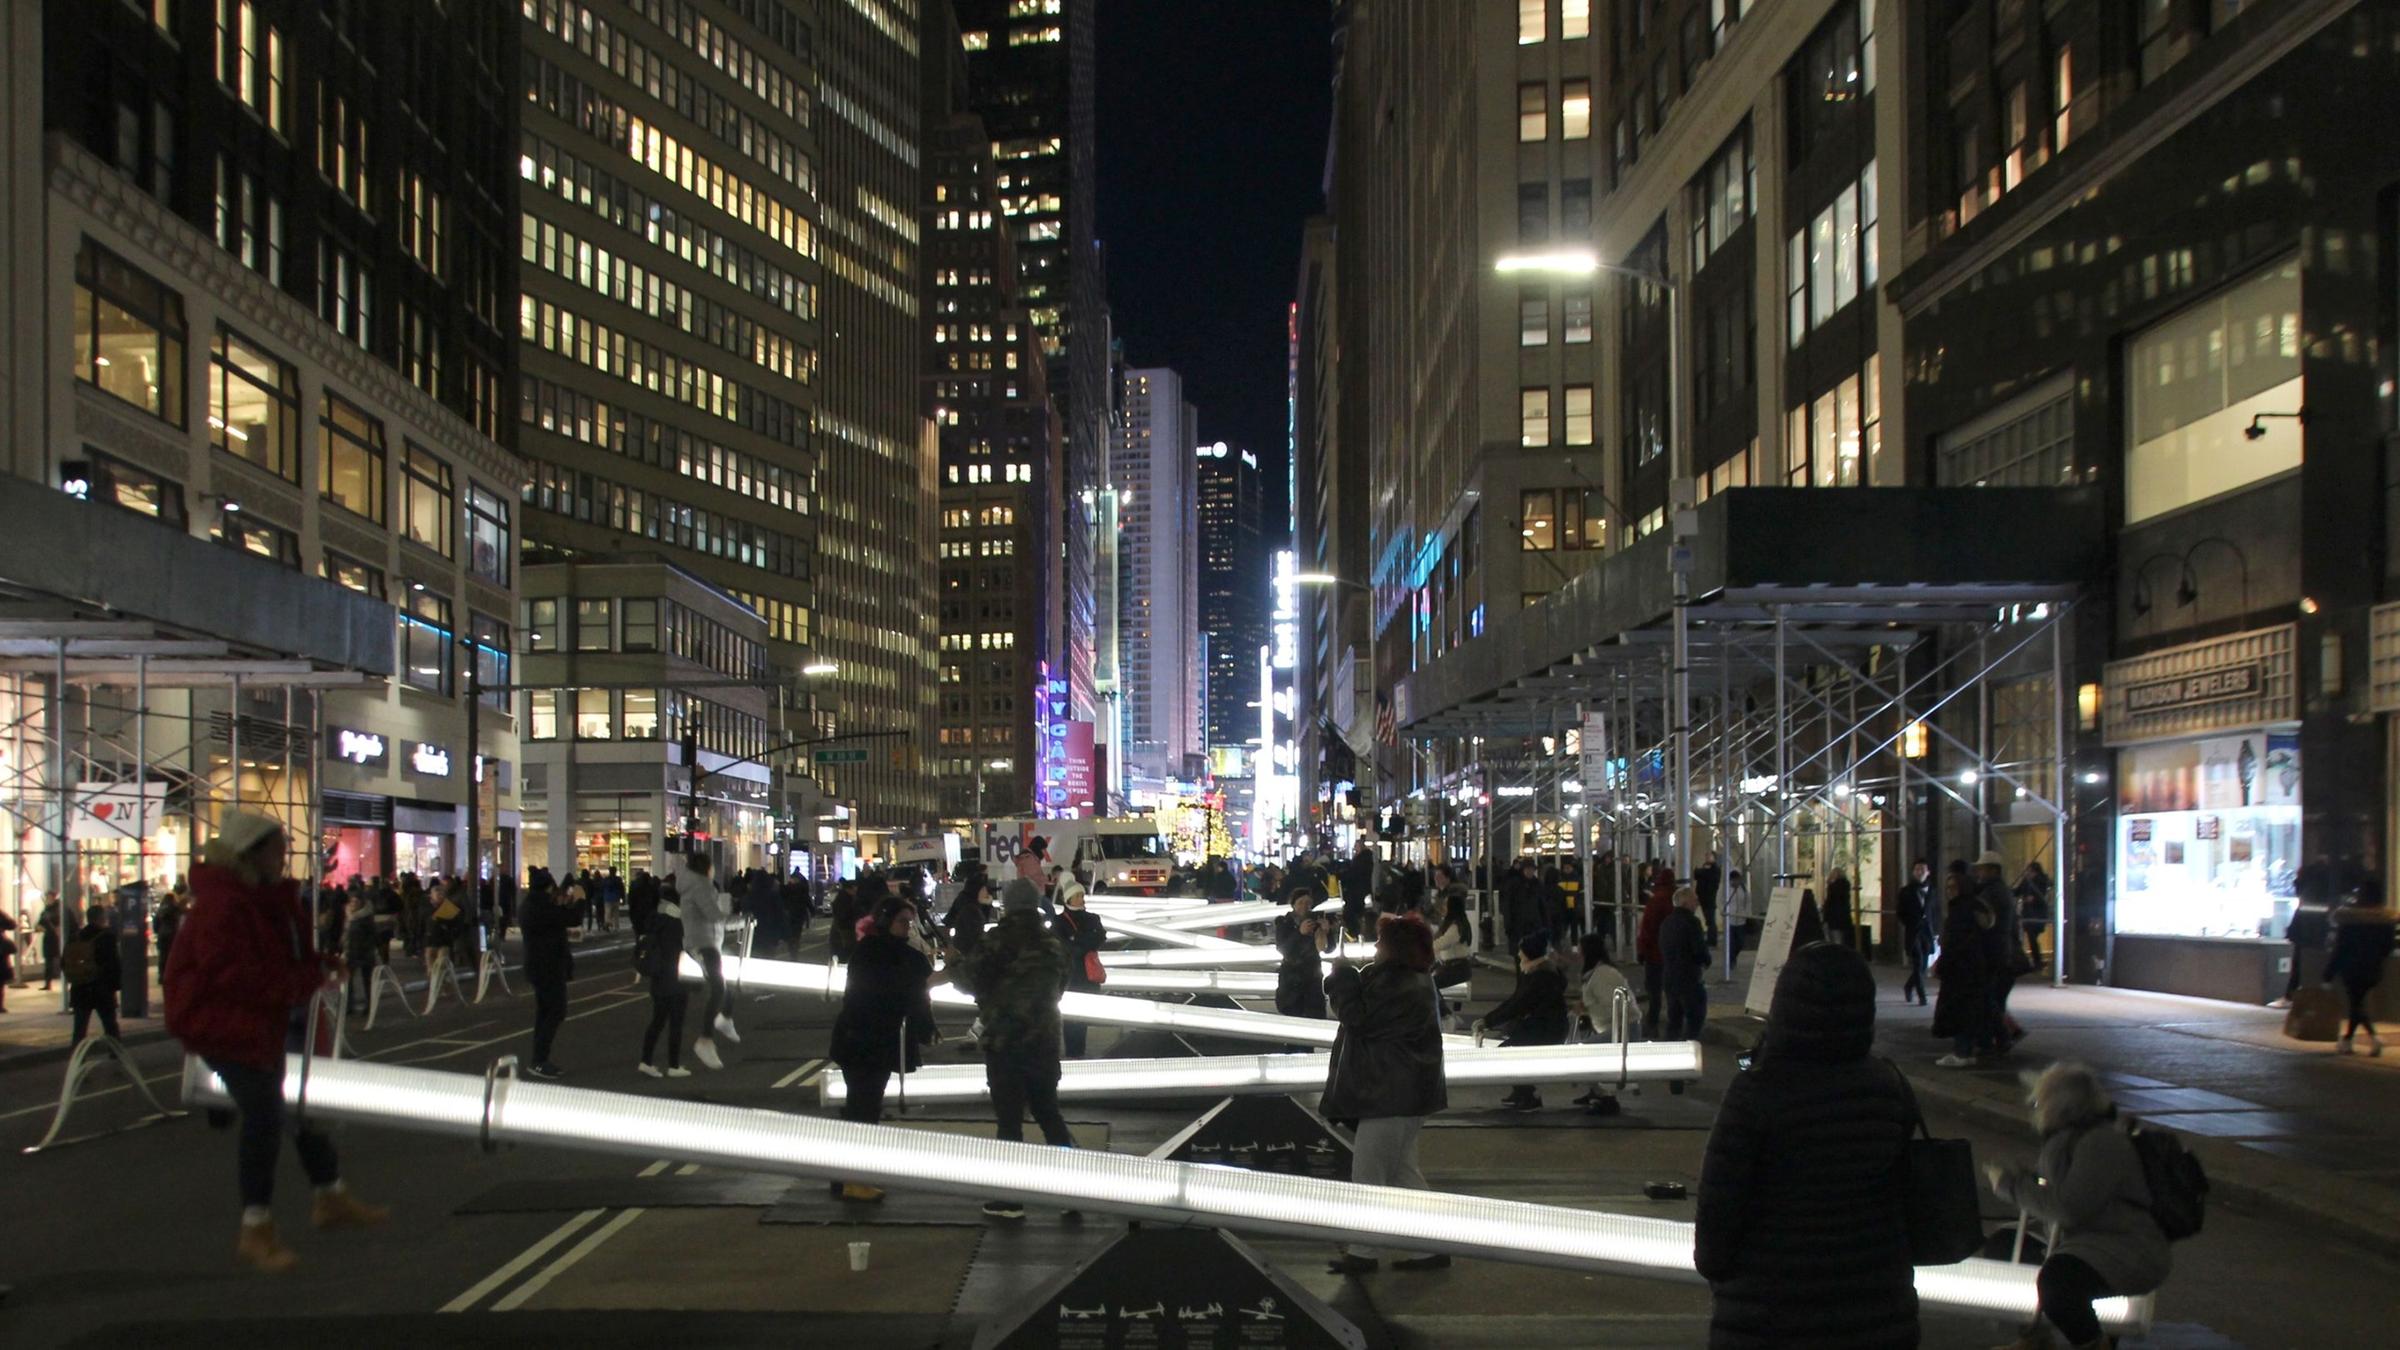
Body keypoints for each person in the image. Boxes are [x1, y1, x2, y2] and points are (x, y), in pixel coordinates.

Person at [165, 810, 386, 1272]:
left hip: (256, 1020)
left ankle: (329, 1195)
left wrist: (315, 964)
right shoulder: (226, 905)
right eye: (277, 850)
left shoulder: (257, 897)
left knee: (298, 1109)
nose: (284, 858)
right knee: (265, 1117)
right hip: (223, 1025)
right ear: (251, 854)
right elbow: (237, 975)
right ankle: (257, 1227)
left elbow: (274, 956)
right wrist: (304, 980)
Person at [1695, 942, 1917, 1349]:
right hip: (1873, 1307)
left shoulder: (1757, 1091)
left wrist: (1719, 1270)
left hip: (1770, 1311)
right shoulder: (1887, 1086)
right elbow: (1904, 1195)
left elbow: (1720, 1206)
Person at [1985, 1063, 2172, 1350]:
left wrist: (2010, 1186)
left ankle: (2094, 1343)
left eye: (2040, 1100)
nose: (2035, 1107)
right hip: (2087, 1241)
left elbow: (2069, 1208)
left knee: (2059, 1281)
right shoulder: (2070, 1140)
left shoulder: (2100, 1143)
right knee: (2006, 1246)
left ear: (2060, 1106)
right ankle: (2036, 1337)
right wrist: (2028, 1180)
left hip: (2124, 1246)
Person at [1323, 914, 1449, 1276]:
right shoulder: (1413, 981)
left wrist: (1342, 976)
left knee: (1369, 1175)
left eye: (1381, 941)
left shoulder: (1398, 985)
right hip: (1405, 1093)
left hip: (1389, 1094)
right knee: (1402, 1175)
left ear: (1395, 948)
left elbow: (1357, 1018)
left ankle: (1364, 1253)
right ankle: (1432, 1248)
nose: (1376, 947)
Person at [967, 868, 1075, 1219]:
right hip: (1044, 1039)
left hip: (1005, 1040)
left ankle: (1011, 1198)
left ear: (1008, 905)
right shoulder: (1053, 944)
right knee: (1049, 1113)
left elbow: (971, 979)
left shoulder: (996, 940)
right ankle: (1075, 1191)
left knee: (1009, 1120)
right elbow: (1062, 985)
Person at [829, 892, 941, 1200]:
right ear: (886, 921)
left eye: (910, 922)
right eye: (903, 921)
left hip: (861, 1039)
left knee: (859, 1109)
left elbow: (913, 984)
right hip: (865, 1041)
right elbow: (910, 985)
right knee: (864, 1111)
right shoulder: (881, 953)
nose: (908, 927)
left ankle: (844, 1178)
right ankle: (854, 1181)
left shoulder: (873, 949)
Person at [1477, 932, 1568, 1112]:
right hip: (1544, 1027)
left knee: (1506, 1053)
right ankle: (1522, 1091)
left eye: (1521, 953)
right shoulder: (1540, 971)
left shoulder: (1540, 976)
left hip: (1546, 1030)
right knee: (1509, 1050)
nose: (1518, 956)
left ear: (1529, 955)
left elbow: (1518, 1004)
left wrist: (1488, 1021)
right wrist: (1488, 1020)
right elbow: (1516, 1001)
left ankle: (1529, 1094)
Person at [1932, 871, 2001, 1067]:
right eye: (1947, 888)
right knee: (1973, 1010)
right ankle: (1970, 1049)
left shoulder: (1961, 910)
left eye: (1953, 887)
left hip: (1962, 969)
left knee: (1962, 1011)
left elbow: (1956, 942)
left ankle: (1962, 1052)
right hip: (1974, 967)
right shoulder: (1975, 906)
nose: (1949, 891)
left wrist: (1941, 964)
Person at [520, 868, 583, 1079]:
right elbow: (572, 917)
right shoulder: (542, 908)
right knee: (555, 1011)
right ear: (547, 888)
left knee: (545, 1012)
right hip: (549, 967)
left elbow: (558, 914)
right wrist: (580, 899)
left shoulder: (530, 905)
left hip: (538, 966)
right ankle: (539, 1060)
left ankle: (539, 1059)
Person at [675, 853, 736, 1070]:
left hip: (709, 942)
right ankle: (705, 1039)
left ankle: (725, 1017)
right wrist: (735, 920)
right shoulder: (700, 886)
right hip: (703, 944)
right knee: (718, 986)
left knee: (728, 978)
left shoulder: (698, 885)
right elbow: (713, 915)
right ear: (706, 868)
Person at [2323, 888, 2396, 1056]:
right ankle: (2348, 1040)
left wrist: (2329, 973)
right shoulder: (2385, 921)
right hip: (2373, 967)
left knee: (2356, 1004)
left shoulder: (2350, 920)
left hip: (2351, 967)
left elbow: (2340, 949)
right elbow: (2387, 948)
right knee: (2357, 1003)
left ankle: (2373, 1037)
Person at [1976, 850, 2031, 1051]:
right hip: (2004, 953)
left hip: (1995, 954)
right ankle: (2003, 1035)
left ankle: (2002, 1036)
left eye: (1982, 869)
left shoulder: (1991, 893)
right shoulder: (2003, 891)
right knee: (1995, 999)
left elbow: (1984, 924)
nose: (1979, 873)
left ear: (1993, 870)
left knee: (1989, 999)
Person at [635, 880, 692, 1079]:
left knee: (657, 1021)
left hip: (658, 979)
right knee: (676, 1023)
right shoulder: (676, 922)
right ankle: (673, 1065)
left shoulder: (654, 919)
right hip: (676, 978)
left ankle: (646, 1061)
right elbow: (686, 948)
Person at [1574, 932, 1631, 1115]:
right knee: (1583, 1046)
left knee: (1584, 1051)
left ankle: (1605, 1096)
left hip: (1622, 1029)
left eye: (1580, 949)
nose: (1578, 953)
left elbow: (1611, 1007)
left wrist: (1587, 1007)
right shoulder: (1597, 972)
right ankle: (1596, 1091)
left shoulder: (1602, 974)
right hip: (1613, 1027)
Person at [1053, 870, 1107, 1058]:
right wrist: (1085, 941)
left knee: (1081, 1019)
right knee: (1071, 1020)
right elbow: (1069, 945)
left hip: (1080, 976)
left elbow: (1098, 938)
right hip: (1072, 977)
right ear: (1068, 898)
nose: (1081, 899)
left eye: (1082, 895)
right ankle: (1074, 1053)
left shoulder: (1089, 918)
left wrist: (1076, 940)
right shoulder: (1064, 921)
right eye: (1077, 896)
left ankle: (1076, 1053)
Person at [63, 898, 124, 1044]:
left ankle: (77, 1053)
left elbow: (64, 962)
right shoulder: (107, 937)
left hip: (80, 988)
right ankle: (115, 1052)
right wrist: (115, 986)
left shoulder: (76, 937)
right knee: (110, 1026)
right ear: (101, 918)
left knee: (80, 1028)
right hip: (102, 988)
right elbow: (113, 964)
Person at [1659, 885, 1711, 1042]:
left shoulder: (1667, 922)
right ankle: (1689, 1047)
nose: (1697, 903)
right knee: (1695, 1017)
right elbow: (1698, 949)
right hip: (1689, 977)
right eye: (1694, 900)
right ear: (1685, 903)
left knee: (1674, 1019)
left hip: (1670, 976)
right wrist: (1706, 960)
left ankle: (1670, 1049)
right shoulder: (1692, 922)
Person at [1273, 887, 1332, 1019]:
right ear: (1293, 904)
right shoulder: (1284, 922)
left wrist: (1327, 932)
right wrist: (1299, 933)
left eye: (1308, 903)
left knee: (1315, 1017)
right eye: (1300, 902)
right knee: (1293, 1018)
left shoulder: (1316, 921)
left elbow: (1328, 949)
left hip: (1313, 978)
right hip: (1291, 981)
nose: (1304, 906)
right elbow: (1283, 949)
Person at [1635, 868, 1675, 1039]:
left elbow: (1647, 929)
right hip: (1673, 955)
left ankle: (1652, 1025)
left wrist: (1642, 951)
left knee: (1654, 993)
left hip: (1654, 954)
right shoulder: (1675, 900)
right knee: (1673, 993)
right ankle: (1674, 1029)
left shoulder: (1655, 901)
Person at [1897, 860, 1934, 1007]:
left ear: (1928, 872)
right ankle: (1922, 996)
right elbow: (1900, 912)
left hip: (1927, 932)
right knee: (1918, 962)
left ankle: (1908, 986)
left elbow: (1934, 911)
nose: (1920, 872)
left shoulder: (1932, 890)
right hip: (1913, 932)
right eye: (1917, 869)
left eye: (1923, 869)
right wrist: (1910, 923)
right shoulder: (1906, 891)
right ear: (1913, 872)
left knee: (1923, 966)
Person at [339, 892, 377, 1015]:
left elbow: (372, 937)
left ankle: (370, 1006)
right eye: (351, 901)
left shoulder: (366, 918)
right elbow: (345, 935)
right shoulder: (349, 916)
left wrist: (366, 948)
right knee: (347, 980)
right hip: (350, 953)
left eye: (356, 902)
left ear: (361, 903)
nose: (353, 904)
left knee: (367, 981)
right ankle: (348, 1005)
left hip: (364, 953)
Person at [2015, 860, 2054, 969]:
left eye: (2029, 870)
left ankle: (2036, 961)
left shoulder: (2041, 881)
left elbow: (2043, 894)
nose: (2027, 872)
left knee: (2032, 937)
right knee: (2031, 937)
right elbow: (2017, 891)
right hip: (2029, 913)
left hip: (2037, 914)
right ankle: (2036, 961)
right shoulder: (2026, 881)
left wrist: (2033, 898)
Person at [153, 885, 186, 992]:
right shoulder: (175, 909)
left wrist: (158, 932)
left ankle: (161, 975)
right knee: (170, 956)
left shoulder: (160, 910)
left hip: (162, 935)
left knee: (162, 956)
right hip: (172, 935)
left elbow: (155, 924)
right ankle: (169, 975)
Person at [1721, 868, 1752, 965]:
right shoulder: (1725, 889)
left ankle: (1733, 956)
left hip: (1741, 920)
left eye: (1738, 879)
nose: (1736, 882)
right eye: (1734, 880)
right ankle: (1731, 960)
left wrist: (1747, 914)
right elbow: (1720, 900)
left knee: (1740, 942)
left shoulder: (1744, 888)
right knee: (1731, 942)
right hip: (1730, 919)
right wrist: (1723, 910)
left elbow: (1748, 902)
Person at [1822, 866, 1855, 952]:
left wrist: (1825, 918)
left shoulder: (1832, 887)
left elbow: (1829, 903)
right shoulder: (1846, 887)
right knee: (1841, 941)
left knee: (1834, 940)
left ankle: (1836, 955)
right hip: (1844, 918)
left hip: (1833, 918)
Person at [1693, 850, 1723, 945]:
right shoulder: (1706, 868)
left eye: (1709, 856)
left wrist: (1701, 872)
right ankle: (1711, 938)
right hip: (1703, 897)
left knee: (1710, 920)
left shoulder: (1715, 869)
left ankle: (1712, 939)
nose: (1707, 858)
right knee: (1708, 919)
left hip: (1709, 898)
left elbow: (1704, 874)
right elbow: (1697, 875)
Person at [36, 893, 61, 990]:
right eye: (47, 898)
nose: (48, 900)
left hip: (58, 938)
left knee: (61, 959)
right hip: (49, 938)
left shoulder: (59, 910)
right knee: (48, 962)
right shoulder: (45, 911)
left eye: (50, 898)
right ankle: (48, 983)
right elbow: (39, 924)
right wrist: (40, 928)